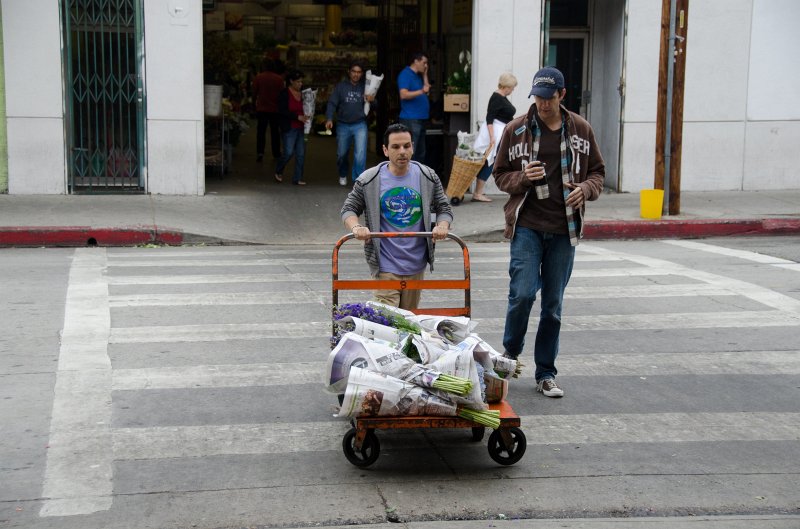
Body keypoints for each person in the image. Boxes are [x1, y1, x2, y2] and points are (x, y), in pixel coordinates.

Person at [493, 67, 605, 398]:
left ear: (562, 95)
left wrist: (585, 188)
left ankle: (545, 373)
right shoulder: (516, 131)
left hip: (564, 229)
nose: (542, 104)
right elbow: (500, 175)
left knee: (553, 305)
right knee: (523, 294)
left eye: (548, 97)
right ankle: (509, 356)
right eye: (538, 98)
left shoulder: (581, 130)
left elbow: (598, 172)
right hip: (527, 225)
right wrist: (523, 178)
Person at [341, 123, 453, 310]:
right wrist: (356, 228)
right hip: (385, 266)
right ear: (385, 150)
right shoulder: (369, 179)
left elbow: (444, 208)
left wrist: (442, 226)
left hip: (417, 265)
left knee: (409, 322)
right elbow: (349, 209)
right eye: (395, 147)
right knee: (388, 325)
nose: (402, 151)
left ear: (413, 147)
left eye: (407, 146)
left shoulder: (427, 176)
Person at [325, 61, 375, 187]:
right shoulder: (341, 87)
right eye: (354, 71)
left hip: (360, 124)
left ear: (362, 74)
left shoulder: (366, 87)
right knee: (341, 154)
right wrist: (329, 118)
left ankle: (358, 180)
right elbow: (332, 103)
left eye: (359, 72)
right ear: (349, 72)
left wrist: (372, 100)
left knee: (360, 154)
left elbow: (376, 105)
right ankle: (342, 173)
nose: (356, 74)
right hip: (343, 125)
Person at [472, 72, 518, 203]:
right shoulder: (497, 97)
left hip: (499, 132)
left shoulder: (501, 97)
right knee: (490, 161)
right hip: (495, 133)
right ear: (507, 86)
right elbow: (490, 118)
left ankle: (478, 191)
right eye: (512, 87)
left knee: (490, 161)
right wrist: (492, 137)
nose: (513, 90)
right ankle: (478, 193)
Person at [275, 70, 311, 186]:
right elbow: (282, 111)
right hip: (289, 127)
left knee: (301, 153)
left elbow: (308, 107)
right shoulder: (284, 94)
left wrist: (308, 115)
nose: (300, 84)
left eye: (301, 82)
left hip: (302, 127)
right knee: (288, 152)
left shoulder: (304, 94)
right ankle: (279, 170)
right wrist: (297, 116)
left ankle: (297, 178)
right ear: (291, 81)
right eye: (298, 82)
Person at [397, 52, 430, 164]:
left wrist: (425, 75)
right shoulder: (405, 75)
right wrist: (421, 91)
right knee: (411, 152)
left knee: (421, 152)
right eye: (424, 62)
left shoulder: (418, 76)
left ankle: (417, 178)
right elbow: (403, 94)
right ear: (416, 61)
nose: (425, 65)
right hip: (410, 119)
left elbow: (426, 88)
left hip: (420, 118)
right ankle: (407, 178)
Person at [252, 58, 284, 162]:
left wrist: (253, 105)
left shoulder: (258, 77)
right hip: (275, 109)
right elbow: (282, 95)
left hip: (262, 108)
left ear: (264, 66)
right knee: (275, 132)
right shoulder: (279, 79)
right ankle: (276, 153)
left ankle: (260, 153)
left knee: (261, 132)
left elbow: (254, 93)